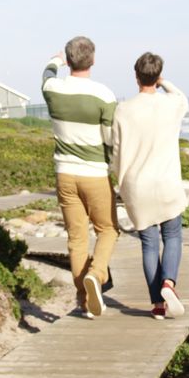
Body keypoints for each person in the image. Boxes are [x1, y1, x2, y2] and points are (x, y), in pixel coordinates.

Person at [41, 36, 119, 318]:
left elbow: (46, 74)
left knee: (77, 238)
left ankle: (86, 301)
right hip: (95, 174)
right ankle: (96, 275)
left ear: (69, 60)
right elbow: (110, 139)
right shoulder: (104, 95)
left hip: (65, 174)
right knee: (108, 230)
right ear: (93, 60)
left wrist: (55, 60)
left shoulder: (53, 89)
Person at [111, 52, 188, 320]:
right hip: (166, 183)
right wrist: (164, 82)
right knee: (173, 235)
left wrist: (119, 182)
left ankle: (157, 304)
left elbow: (117, 151)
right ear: (157, 75)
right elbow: (183, 98)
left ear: (135, 76)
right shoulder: (171, 105)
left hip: (137, 185)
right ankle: (169, 283)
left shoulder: (123, 109)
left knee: (149, 244)